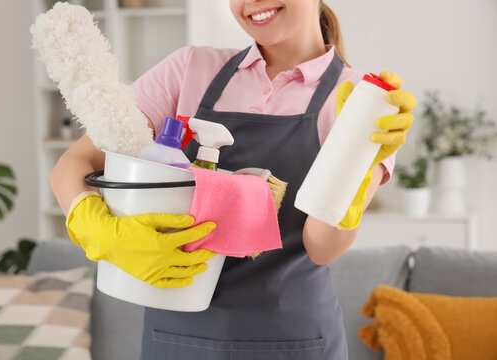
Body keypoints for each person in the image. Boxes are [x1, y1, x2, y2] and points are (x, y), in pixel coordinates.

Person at [50, 0, 416, 358]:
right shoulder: (190, 69)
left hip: (292, 342)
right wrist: (96, 227)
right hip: (178, 341)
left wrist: (356, 168)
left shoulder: (364, 102)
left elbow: (321, 247)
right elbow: (74, 163)